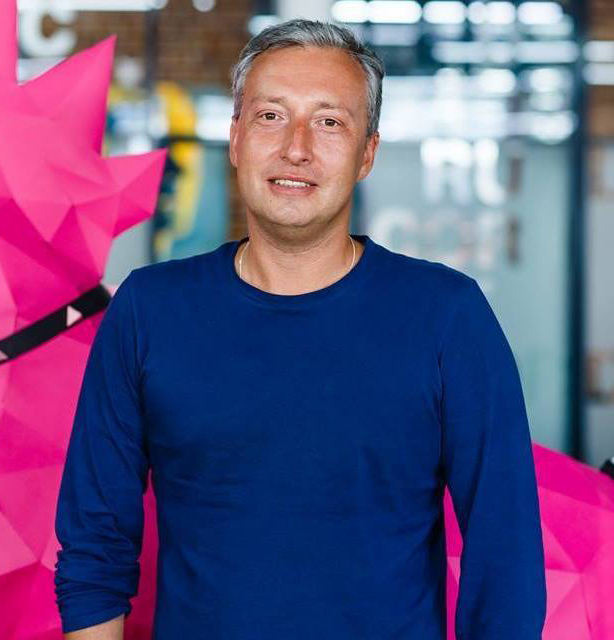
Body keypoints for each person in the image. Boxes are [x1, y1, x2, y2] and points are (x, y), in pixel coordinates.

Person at [53, 18, 547, 640]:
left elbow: (505, 556)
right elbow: (95, 547)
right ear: (235, 139)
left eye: (330, 122)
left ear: (368, 153)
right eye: (270, 116)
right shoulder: (149, 310)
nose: (296, 148)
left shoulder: (447, 316)